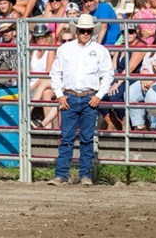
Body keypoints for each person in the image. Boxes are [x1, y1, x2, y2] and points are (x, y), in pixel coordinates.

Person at [48, 14, 115, 186]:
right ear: (76, 31)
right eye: (83, 31)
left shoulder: (100, 51)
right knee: (67, 138)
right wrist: (59, 94)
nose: (85, 33)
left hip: (88, 97)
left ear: (92, 31)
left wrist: (99, 95)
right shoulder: (65, 49)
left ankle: (83, 175)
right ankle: (63, 174)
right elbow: (55, 73)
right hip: (70, 96)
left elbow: (108, 75)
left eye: (88, 31)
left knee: (86, 138)